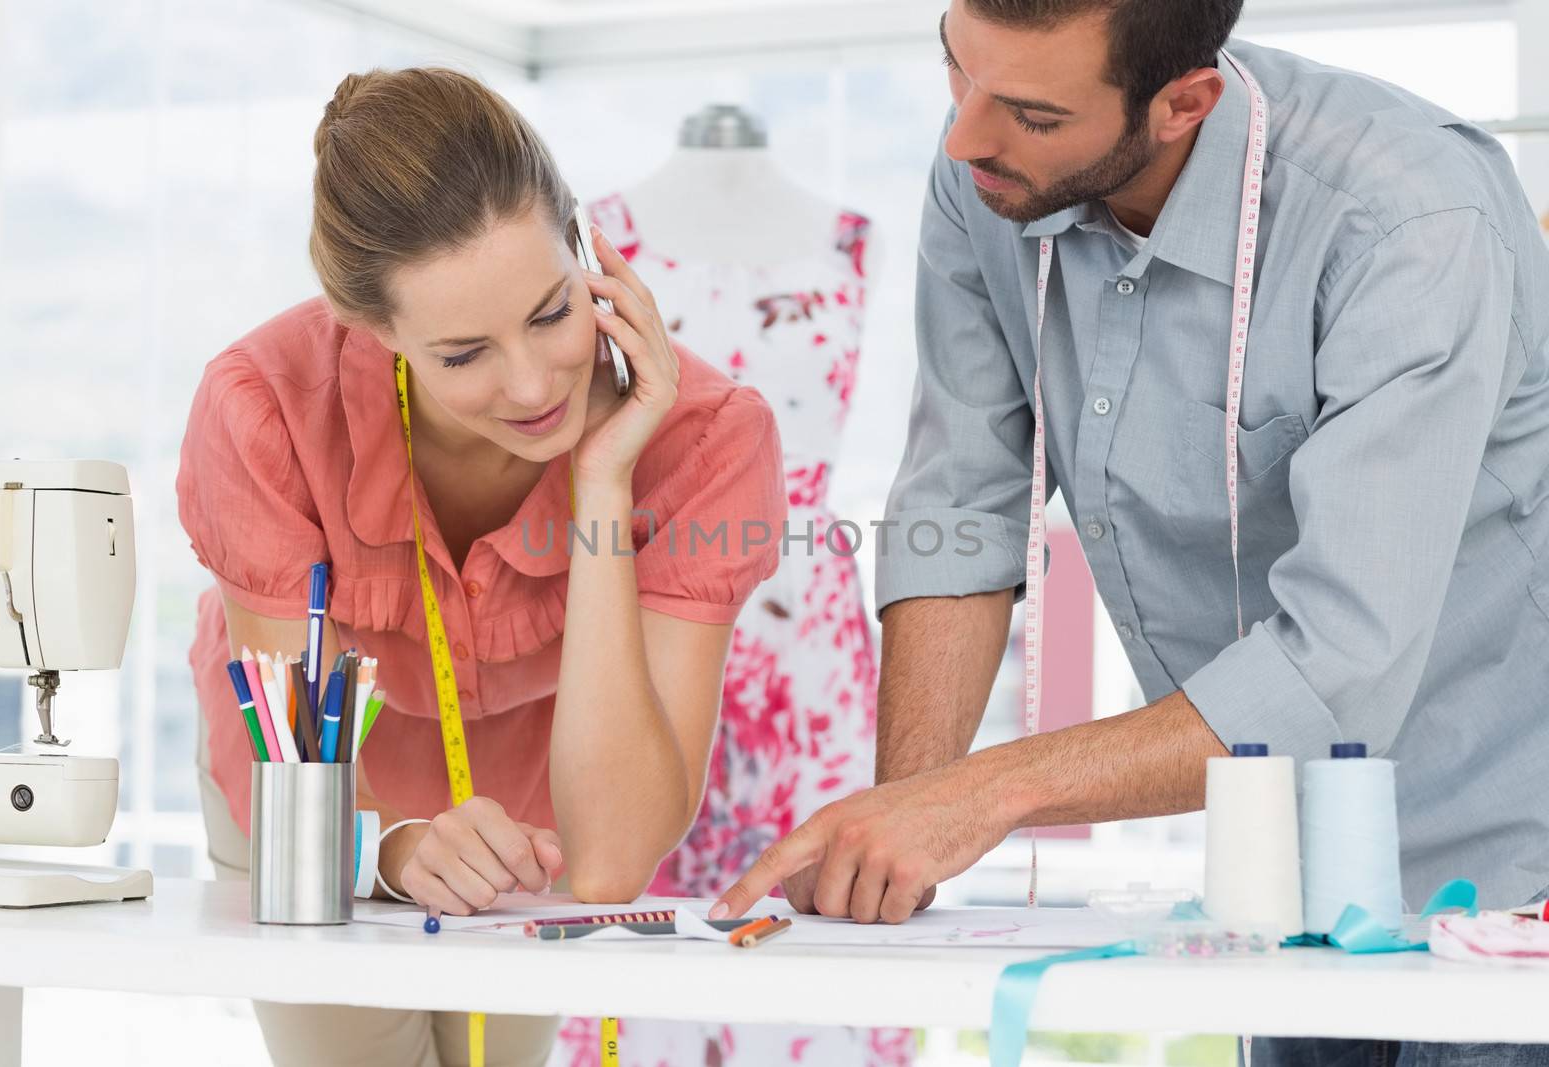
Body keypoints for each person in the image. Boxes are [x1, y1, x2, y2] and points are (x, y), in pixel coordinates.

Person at [713, 2, 1549, 1065]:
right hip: (1287, 882)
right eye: (955, 70)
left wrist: (987, 790)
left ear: (1181, 104)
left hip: (1510, 883)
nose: (965, 134)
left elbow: (1341, 662)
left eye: (1027, 110)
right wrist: (905, 825)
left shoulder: (1406, 221)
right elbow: (961, 505)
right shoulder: (986, 178)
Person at [177, 67, 785, 1067]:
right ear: (372, 330)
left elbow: (609, 859)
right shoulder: (263, 407)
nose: (536, 382)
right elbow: (289, 751)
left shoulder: (704, 440)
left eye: (552, 312)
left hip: (528, 799)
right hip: (304, 789)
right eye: (462, 355)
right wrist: (391, 844)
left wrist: (602, 482)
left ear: (587, 248)